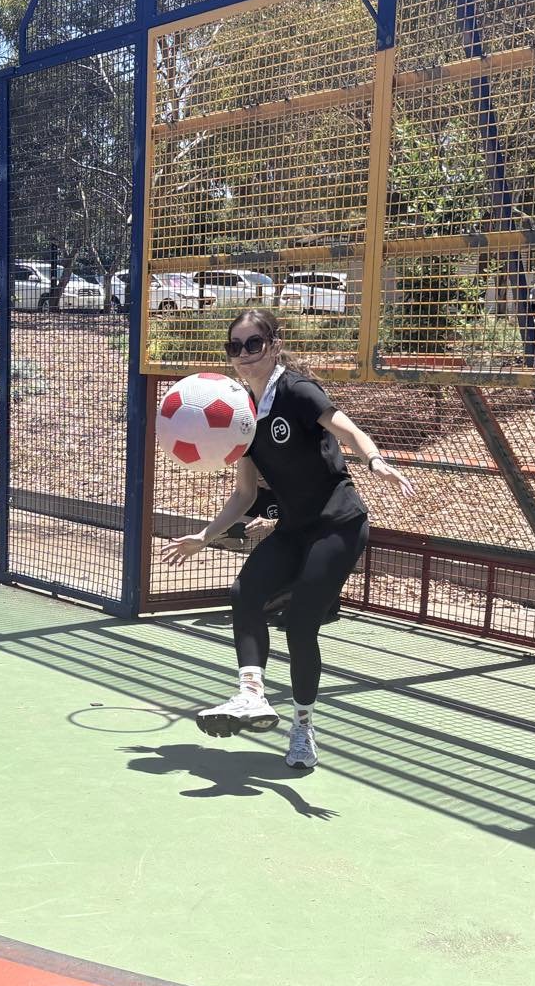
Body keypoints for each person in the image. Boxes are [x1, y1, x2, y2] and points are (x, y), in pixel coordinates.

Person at [160, 308, 413, 769]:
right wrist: (206, 535)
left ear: (274, 344)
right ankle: (251, 695)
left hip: (338, 524)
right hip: (292, 527)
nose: (243, 356)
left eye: (252, 344)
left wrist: (375, 459)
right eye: (233, 347)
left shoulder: (297, 390)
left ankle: (302, 728)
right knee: (245, 593)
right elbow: (245, 493)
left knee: (300, 626)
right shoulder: (240, 413)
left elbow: (347, 428)